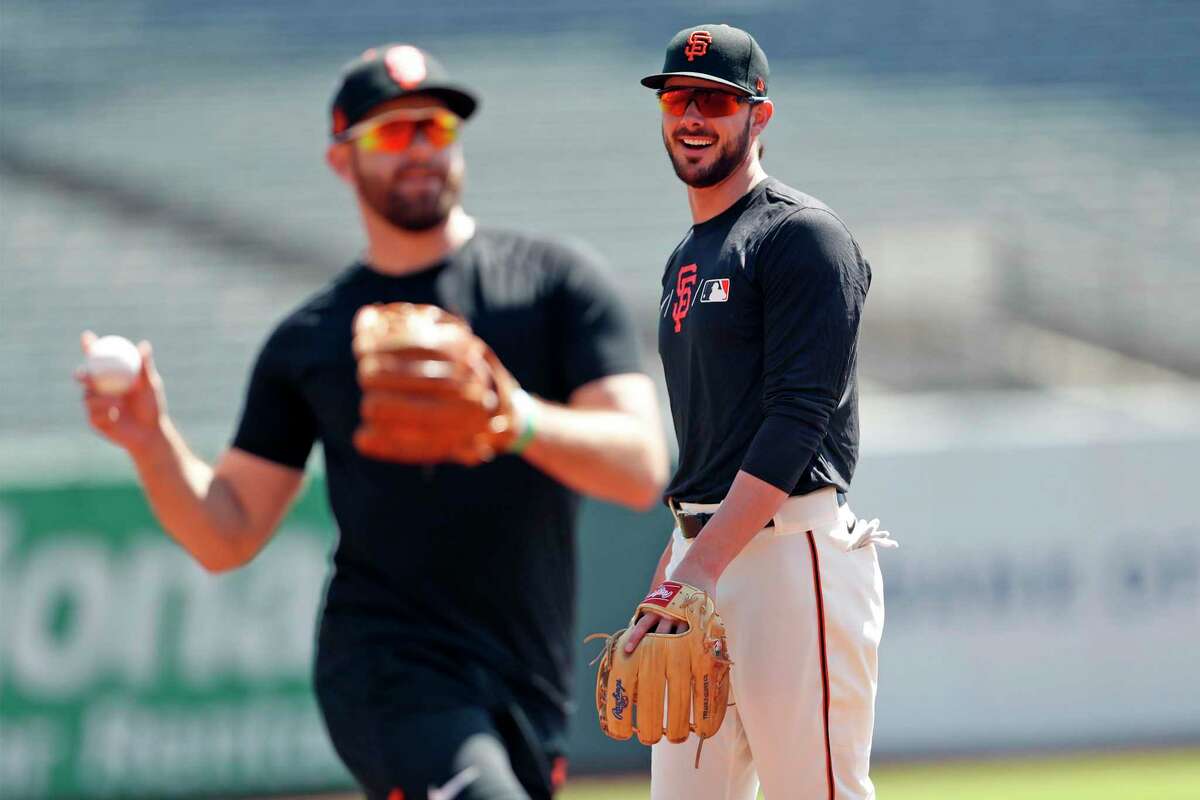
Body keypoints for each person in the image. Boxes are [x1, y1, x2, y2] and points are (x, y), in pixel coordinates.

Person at [77, 43, 669, 800]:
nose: (420, 147)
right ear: (341, 159)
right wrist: (150, 441)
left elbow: (639, 464)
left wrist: (509, 418)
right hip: (386, 669)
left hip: (528, 677)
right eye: (392, 134)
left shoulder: (555, 286)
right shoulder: (313, 339)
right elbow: (226, 531)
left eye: (435, 127)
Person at [622, 24, 894, 800]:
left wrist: (698, 568)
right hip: (701, 560)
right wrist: (674, 564)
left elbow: (798, 418)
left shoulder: (803, 236)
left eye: (716, 99)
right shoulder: (687, 255)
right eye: (679, 97)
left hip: (788, 556)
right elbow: (707, 438)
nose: (693, 116)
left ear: (759, 116)